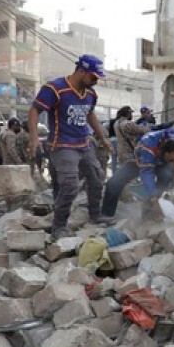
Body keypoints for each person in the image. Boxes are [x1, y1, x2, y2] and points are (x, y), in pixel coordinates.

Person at [28, 54, 114, 238]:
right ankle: (58, 226)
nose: (95, 81)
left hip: (84, 143)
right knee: (70, 185)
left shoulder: (91, 93)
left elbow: (90, 115)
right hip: (62, 146)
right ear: (81, 71)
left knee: (97, 177)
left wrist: (103, 139)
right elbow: (35, 109)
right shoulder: (55, 88)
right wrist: (34, 137)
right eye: (93, 77)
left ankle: (95, 215)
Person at [102, 127, 174, 218]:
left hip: (160, 162)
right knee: (113, 183)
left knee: (166, 176)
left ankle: (148, 213)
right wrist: (154, 199)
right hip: (139, 161)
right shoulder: (148, 142)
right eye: (171, 159)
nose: (173, 161)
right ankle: (107, 215)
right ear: (164, 149)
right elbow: (147, 173)